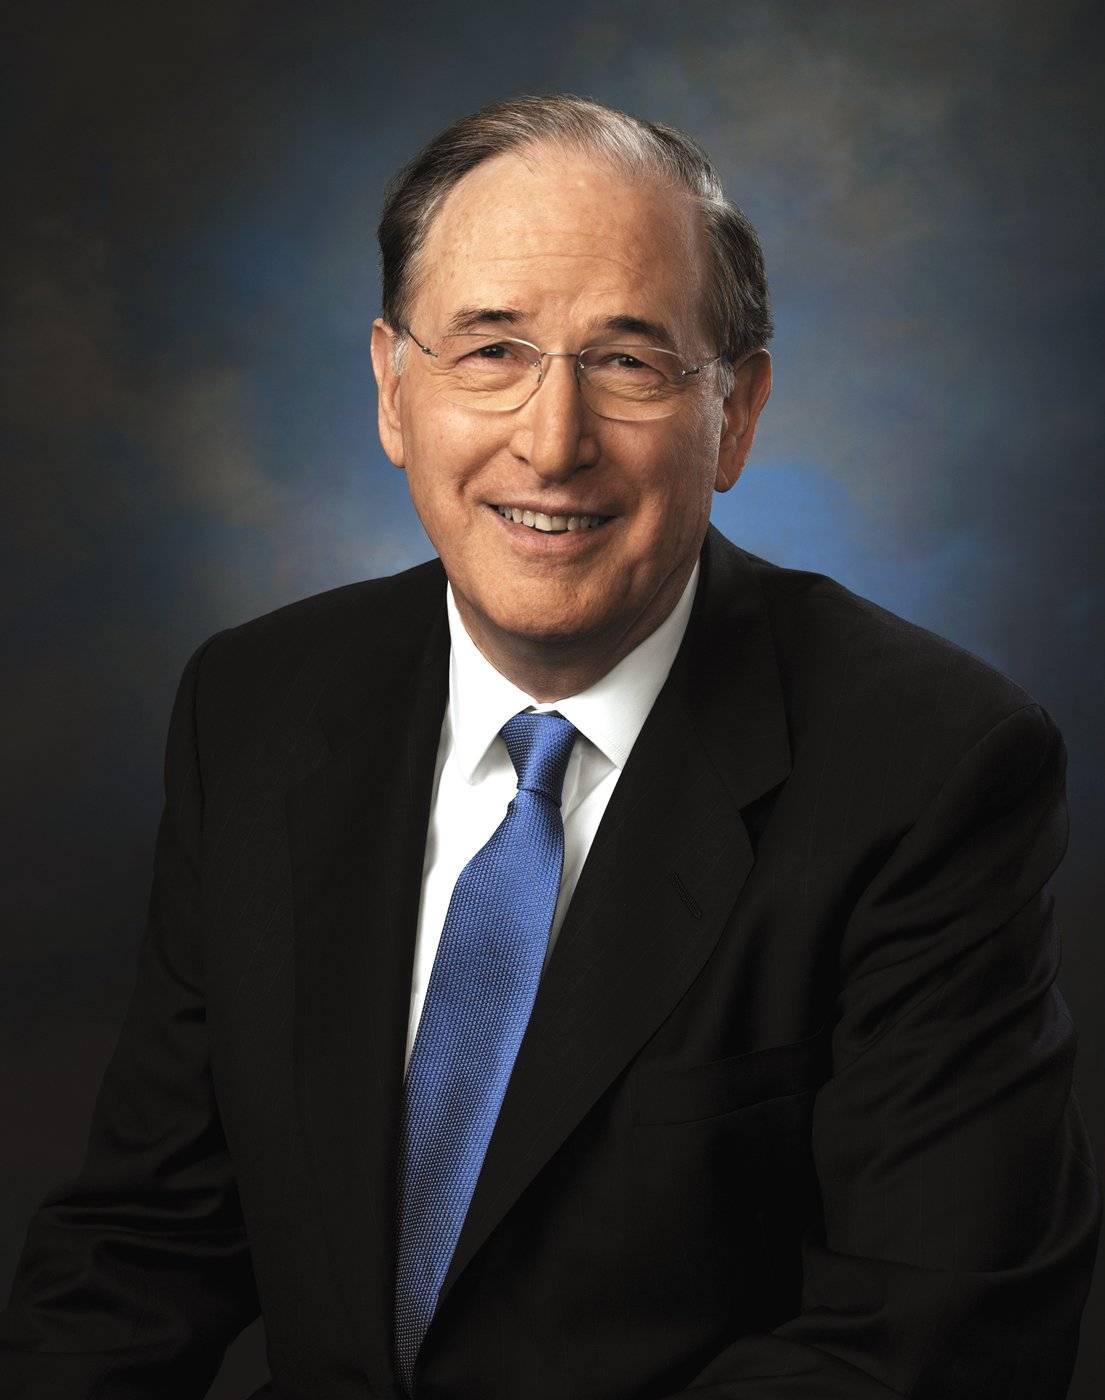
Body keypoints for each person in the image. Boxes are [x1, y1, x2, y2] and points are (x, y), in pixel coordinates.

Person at [0, 93, 1098, 1400]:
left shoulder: (931, 766)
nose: (552, 440)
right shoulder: (254, 706)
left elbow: (928, 1343)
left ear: (737, 413)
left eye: (627, 362)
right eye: (491, 350)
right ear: (393, 389)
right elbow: (141, 1243)